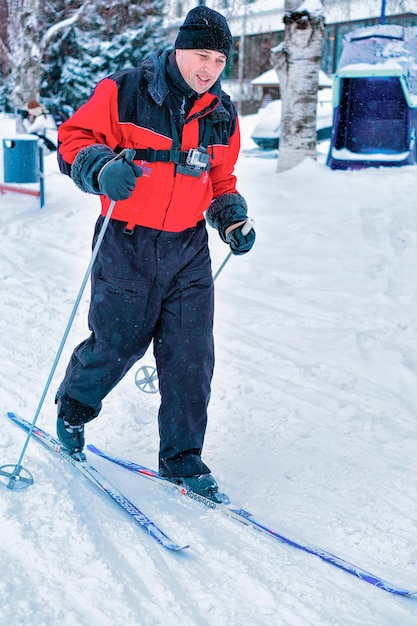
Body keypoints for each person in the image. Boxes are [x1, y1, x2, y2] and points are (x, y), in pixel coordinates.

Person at [55, 6, 255, 503]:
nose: (208, 68)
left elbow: (219, 180)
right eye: (200, 55)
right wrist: (100, 168)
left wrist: (231, 216)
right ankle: (74, 407)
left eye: (218, 59)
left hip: (188, 248)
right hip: (126, 239)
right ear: (178, 48)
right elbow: (72, 140)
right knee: (118, 343)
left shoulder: (222, 113)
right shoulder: (125, 90)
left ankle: (182, 457)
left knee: (191, 354)